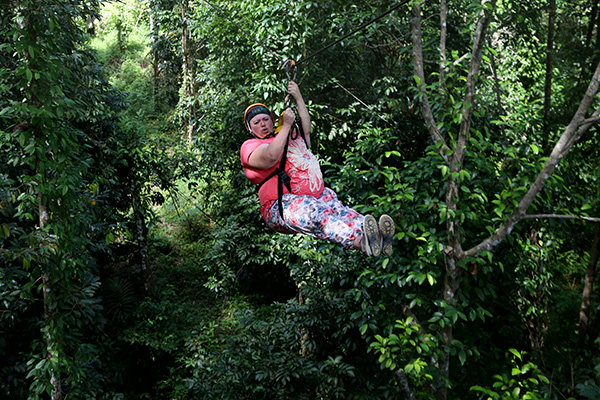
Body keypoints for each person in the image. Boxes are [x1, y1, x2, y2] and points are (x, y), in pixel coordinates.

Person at [240, 81, 394, 257]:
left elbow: (306, 130)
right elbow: (271, 156)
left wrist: (298, 97)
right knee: (315, 210)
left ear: (272, 120)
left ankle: (376, 238)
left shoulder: (286, 136)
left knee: (338, 209)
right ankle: (358, 242)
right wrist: (287, 126)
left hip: (312, 195)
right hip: (280, 206)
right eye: (257, 122)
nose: (263, 124)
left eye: (266, 119)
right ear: (251, 128)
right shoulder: (250, 146)